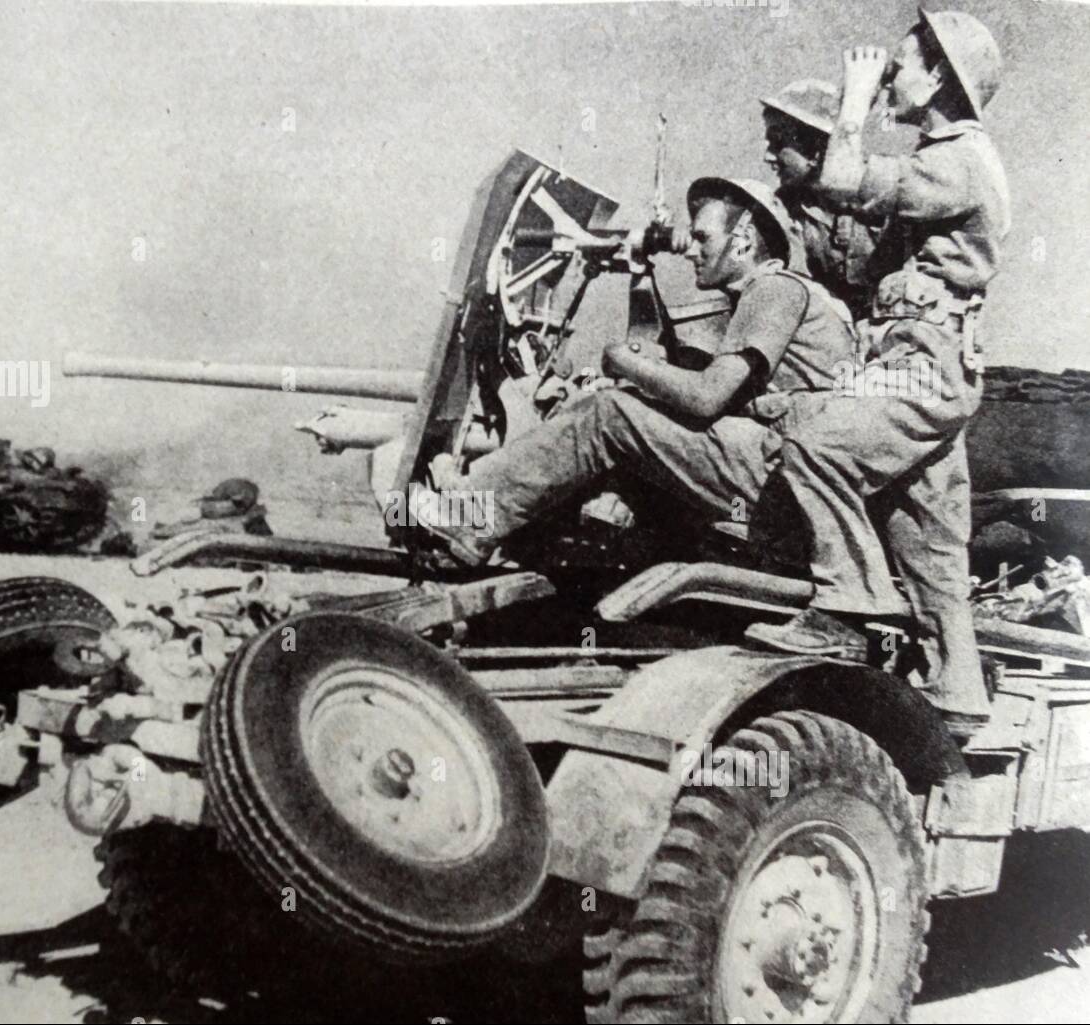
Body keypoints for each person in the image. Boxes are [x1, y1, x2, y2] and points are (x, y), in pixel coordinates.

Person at [744, 10, 1009, 735]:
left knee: (815, 437)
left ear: (940, 80)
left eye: (899, 67)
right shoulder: (942, 160)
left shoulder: (958, 160)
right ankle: (957, 692)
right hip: (920, 360)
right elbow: (851, 250)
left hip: (924, 364)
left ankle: (846, 609)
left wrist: (854, 105)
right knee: (928, 532)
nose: (890, 76)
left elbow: (846, 181)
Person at [413, 177, 856, 567]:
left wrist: (621, 360)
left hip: (783, 476)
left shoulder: (775, 290)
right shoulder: (774, 295)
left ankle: (468, 517)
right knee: (615, 403)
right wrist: (642, 278)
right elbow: (670, 365)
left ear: (743, 239)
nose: (693, 252)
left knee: (609, 414)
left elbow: (705, 397)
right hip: (786, 475)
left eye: (704, 239)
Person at [760, 78, 882, 320]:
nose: (767, 156)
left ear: (815, 151)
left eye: (778, 144)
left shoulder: (877, 198)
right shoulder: (785, 206)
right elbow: (742, 249)